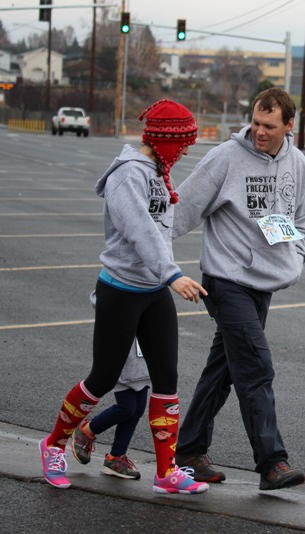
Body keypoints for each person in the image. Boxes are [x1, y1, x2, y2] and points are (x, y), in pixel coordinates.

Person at [38, 99, 210, 495]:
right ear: (165, 140)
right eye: (183, 142)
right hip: (121, 292)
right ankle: (53, 445)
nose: (186, 150)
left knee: (166, 379)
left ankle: (166, 472)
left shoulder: (158, 172)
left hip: (153, 293)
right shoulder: (128, 176)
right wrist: (173, 274)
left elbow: (165, 227)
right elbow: (140, 230)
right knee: (101, 379)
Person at [171, 87, 305, 490]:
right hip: (226, 280)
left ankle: (189, 451)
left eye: (269, 126)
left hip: (264, 283)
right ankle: (272, 463)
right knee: (255, 366)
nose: (259, 132)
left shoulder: (297, 163)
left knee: (224, 370)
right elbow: (183, 209)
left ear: (290, 126)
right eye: (255, 123)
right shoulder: (226, 158)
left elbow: (302, 218)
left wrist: (296, 258)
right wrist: (150, 258)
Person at [69, 291, 150, 480]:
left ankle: (116, 458)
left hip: (142, 354)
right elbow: (101, 298)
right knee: (126, 407)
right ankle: (86, 431)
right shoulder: (118, 281)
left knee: (137, 409)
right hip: (122, 354)